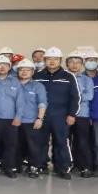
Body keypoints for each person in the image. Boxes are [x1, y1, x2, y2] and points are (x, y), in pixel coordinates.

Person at [32, 47, 79, 180]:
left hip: (61, 116)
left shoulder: (68, 76)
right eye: (49, 59)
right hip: (41, 116)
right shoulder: (37, 76)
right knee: (40, 142)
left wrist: (72, 114)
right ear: (44, 60)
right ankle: (40, 165)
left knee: (61, 142)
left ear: (60, 60)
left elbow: (75, 97)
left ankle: (62, 168)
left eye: (55, 59)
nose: (52, 61)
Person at [13, 59, 48, 179]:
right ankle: (16, 165)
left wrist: (40, 118)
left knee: (33, 146)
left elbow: (42, 103)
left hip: (31, 121)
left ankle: (34, 166)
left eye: (27, 70)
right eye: (21, 70)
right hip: (14, 121)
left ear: (33, 72)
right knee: (15, 145)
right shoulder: (13, 84)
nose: (24, 72)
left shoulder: (38, 86)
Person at [0, 55, 20, 178]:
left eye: (5, 65)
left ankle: (9, 167)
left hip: (11, 119)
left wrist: (18, 116)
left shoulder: (15, 82)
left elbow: (20, 101)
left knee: (10, 144)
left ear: (9, 67)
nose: (2, 67)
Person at [66, 51, 96, 178]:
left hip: (82, 115)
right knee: (65, 141)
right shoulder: (63, 78)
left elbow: (89, 96)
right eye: (71, 62)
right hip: (65, 115)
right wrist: (78, 96)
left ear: (82, 65)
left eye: (78, 62)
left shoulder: (87, 80)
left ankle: (84, 166)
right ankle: (66, 165)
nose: (74, 65)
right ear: (67, 64)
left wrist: (72, 97)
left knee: (82, 141)